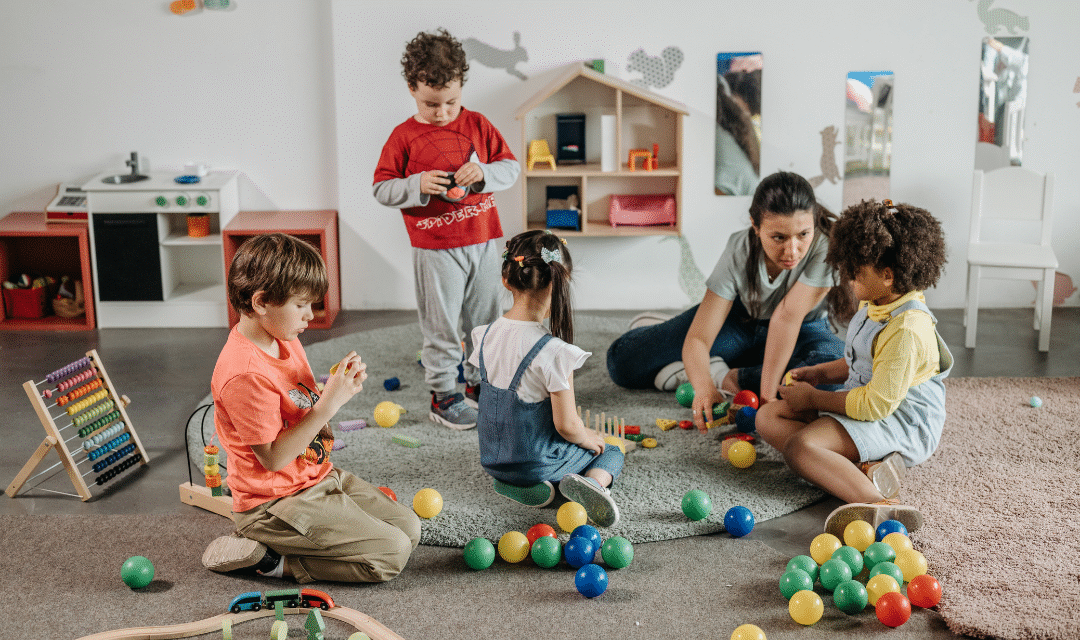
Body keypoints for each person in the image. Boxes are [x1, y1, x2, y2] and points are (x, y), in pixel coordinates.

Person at [201, 233, 421, 583]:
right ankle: (272, 562)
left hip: (315, 477)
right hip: (272, 505)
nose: (311, 314)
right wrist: (330, 404)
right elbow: (272, 459)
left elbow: (298, 403)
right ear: (261, 302)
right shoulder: (243, 373)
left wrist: (334, 386)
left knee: (409, 528)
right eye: (301, 304)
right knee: (390, 554)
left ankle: (302, 543)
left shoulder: (284, 340)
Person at [754, 199, 951, 537]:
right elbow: (858, 361)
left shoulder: (906, 328)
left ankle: (878, 504)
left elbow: (876, 404)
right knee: (768, 417)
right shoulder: (875, 302)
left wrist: (814, 399)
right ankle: (863, 467)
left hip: (901, 419)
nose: (847, 278)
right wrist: (821, 374)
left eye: (855, 273)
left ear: (888, 276)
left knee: (802, 448)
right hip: (870, 403)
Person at [607, 171, 853, 431]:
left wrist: (767, 402)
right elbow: (699, 338)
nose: (792, 250)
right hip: (743, 322)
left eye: (803, 234)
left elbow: (787, 318)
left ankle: (731, 375)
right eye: (778, 237)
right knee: (622, 361)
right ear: (755, 226)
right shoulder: (739, 248)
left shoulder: (826, 245)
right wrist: (703, 387)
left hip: (803, 329)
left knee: (832, 376)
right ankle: (697, 354)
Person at [373, 28, 520, 430]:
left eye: (451, 102)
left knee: (487, 319)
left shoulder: (478, 124)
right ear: (412, 89)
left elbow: (511, 168)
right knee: (441, 325)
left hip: (484, 240)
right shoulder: (404, 136)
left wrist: (485, 172)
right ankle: (443, 394)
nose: (442, 113)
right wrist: (415, 184)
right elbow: (382, 189)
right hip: (434, 247)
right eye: (431, 103)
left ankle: (479, 384)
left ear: (462, 87)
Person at [468, 231, 624, 527]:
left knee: (558, 445)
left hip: (495, 460)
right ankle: (593, 484)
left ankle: (515, 485)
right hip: (537, 462)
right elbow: (567, 425)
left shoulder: (483, 335)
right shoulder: (555, 352)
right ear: (560, 282)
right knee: (612, 451)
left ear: (506, 279)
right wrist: (589, 438)